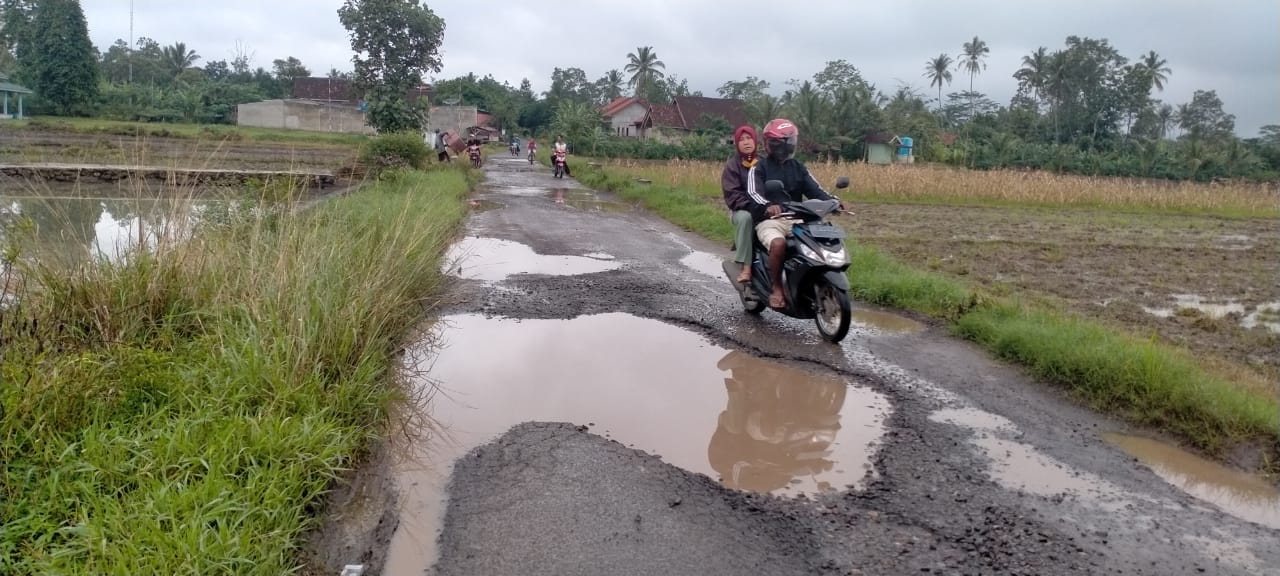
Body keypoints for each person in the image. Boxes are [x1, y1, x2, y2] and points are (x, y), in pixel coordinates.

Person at [747, 118, 843, 309]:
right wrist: (768, 205)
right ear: (771, 144)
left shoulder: (798, 167)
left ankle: (807, 280)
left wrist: (834, 202)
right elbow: (753, 193)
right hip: (771, 220)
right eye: (783, 143)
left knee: (820, 241)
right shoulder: (759, 168)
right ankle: (776, 288)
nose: (788, 147)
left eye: (790, 142)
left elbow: (816, 190)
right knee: (778, 244)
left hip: (798, 219)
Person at [721, 125, 760, 284]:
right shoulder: (732, 166)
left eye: (749, 138)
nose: (746, 142)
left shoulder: (764, 163)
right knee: (746, 218)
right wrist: (750, 206)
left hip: (764, 207)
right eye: (741, 139)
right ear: (737, 144)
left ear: (755, 140)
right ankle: (746, 267)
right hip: (741, 209)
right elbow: (732, 194)